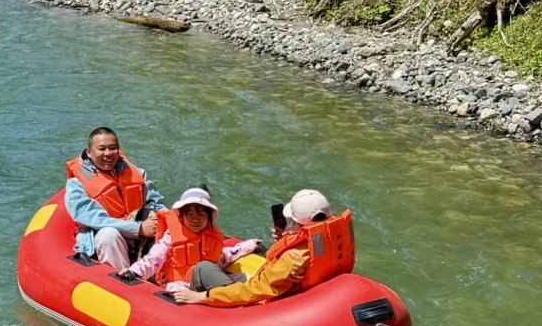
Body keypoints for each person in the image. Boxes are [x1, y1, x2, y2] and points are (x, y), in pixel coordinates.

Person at [172, 188, 342, 307]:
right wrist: (287, 239)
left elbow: (253, 291)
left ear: (298, 222)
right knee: (259, 252)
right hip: (285, 285)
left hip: (260, 303)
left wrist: (202, 296)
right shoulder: (328, 238)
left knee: (202, 269)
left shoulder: (294, 258)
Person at [64, 127, 165, 271]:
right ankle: (123, 282)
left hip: (138, 232)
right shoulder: (76, 184)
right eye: (101, 149)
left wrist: (167, 221)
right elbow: (96, 220)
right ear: (89, 152)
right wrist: (139, 229)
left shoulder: (136, 173)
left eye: (112, 148)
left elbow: (156, 202)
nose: (108, 154)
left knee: (159, 220)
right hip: (105, 238)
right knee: (108, 234)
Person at [122, 187, 261, 289]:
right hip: (178, 285)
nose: (195, 220)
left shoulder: (212, 236)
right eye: (190, 214)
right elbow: (154, 259)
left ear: (208, 217)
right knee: (190, 282)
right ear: (182, 216)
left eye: (200, 214)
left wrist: (248, 246)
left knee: (248, 279)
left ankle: (242, 294)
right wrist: (134, 273)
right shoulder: (171, 237)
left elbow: (223, 257)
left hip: (205, 283)